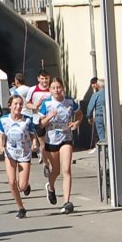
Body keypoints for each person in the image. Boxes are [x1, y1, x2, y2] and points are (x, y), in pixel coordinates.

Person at [39, 77, 82, 214]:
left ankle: (66, 202)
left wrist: (76, 123)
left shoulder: (70, 102)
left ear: (62, 88)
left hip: (66, 139)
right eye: (54, 88)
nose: (57, 90)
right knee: (56, 171)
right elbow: (41, 124)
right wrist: (49, 116)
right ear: (50, 90)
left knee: (66, 170)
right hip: (51, 141)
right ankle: (50, 187)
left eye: (59, 87)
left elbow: (79, 114)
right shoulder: (47, 104)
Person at [0, 96, 39, 219]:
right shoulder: (4, 120)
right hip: (10, 153)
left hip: (24, 154)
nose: (18, 107)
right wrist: (1, 146)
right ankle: (21, 208)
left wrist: (35, 144)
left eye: (20, 104)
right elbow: (2, 136)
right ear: (10, 105)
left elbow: (33, 136)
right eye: (15, 104)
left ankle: (25, 185)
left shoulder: (27, 120)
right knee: (11, 182)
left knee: (22, 186)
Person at [25, 70, 53, 176]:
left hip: (51, 121)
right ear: (38, 79)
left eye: (46, 78)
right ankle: (46, 164)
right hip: (38, 120)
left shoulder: (52, 89)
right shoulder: (33, 90)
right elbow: (27, 104)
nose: (44, 80)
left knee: (52, 142)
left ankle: (53, 162)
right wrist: (35, 106)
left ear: (49, 78)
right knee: (43, 144)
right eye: (42, 78)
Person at [86, 77, 105, 149]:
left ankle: (104, 151)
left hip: (99, 117)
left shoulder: (96, 95)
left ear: (98, 85)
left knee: (101, 134)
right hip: (110, 117)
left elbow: (90, 107)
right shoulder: (110, 94)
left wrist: (89, 116)